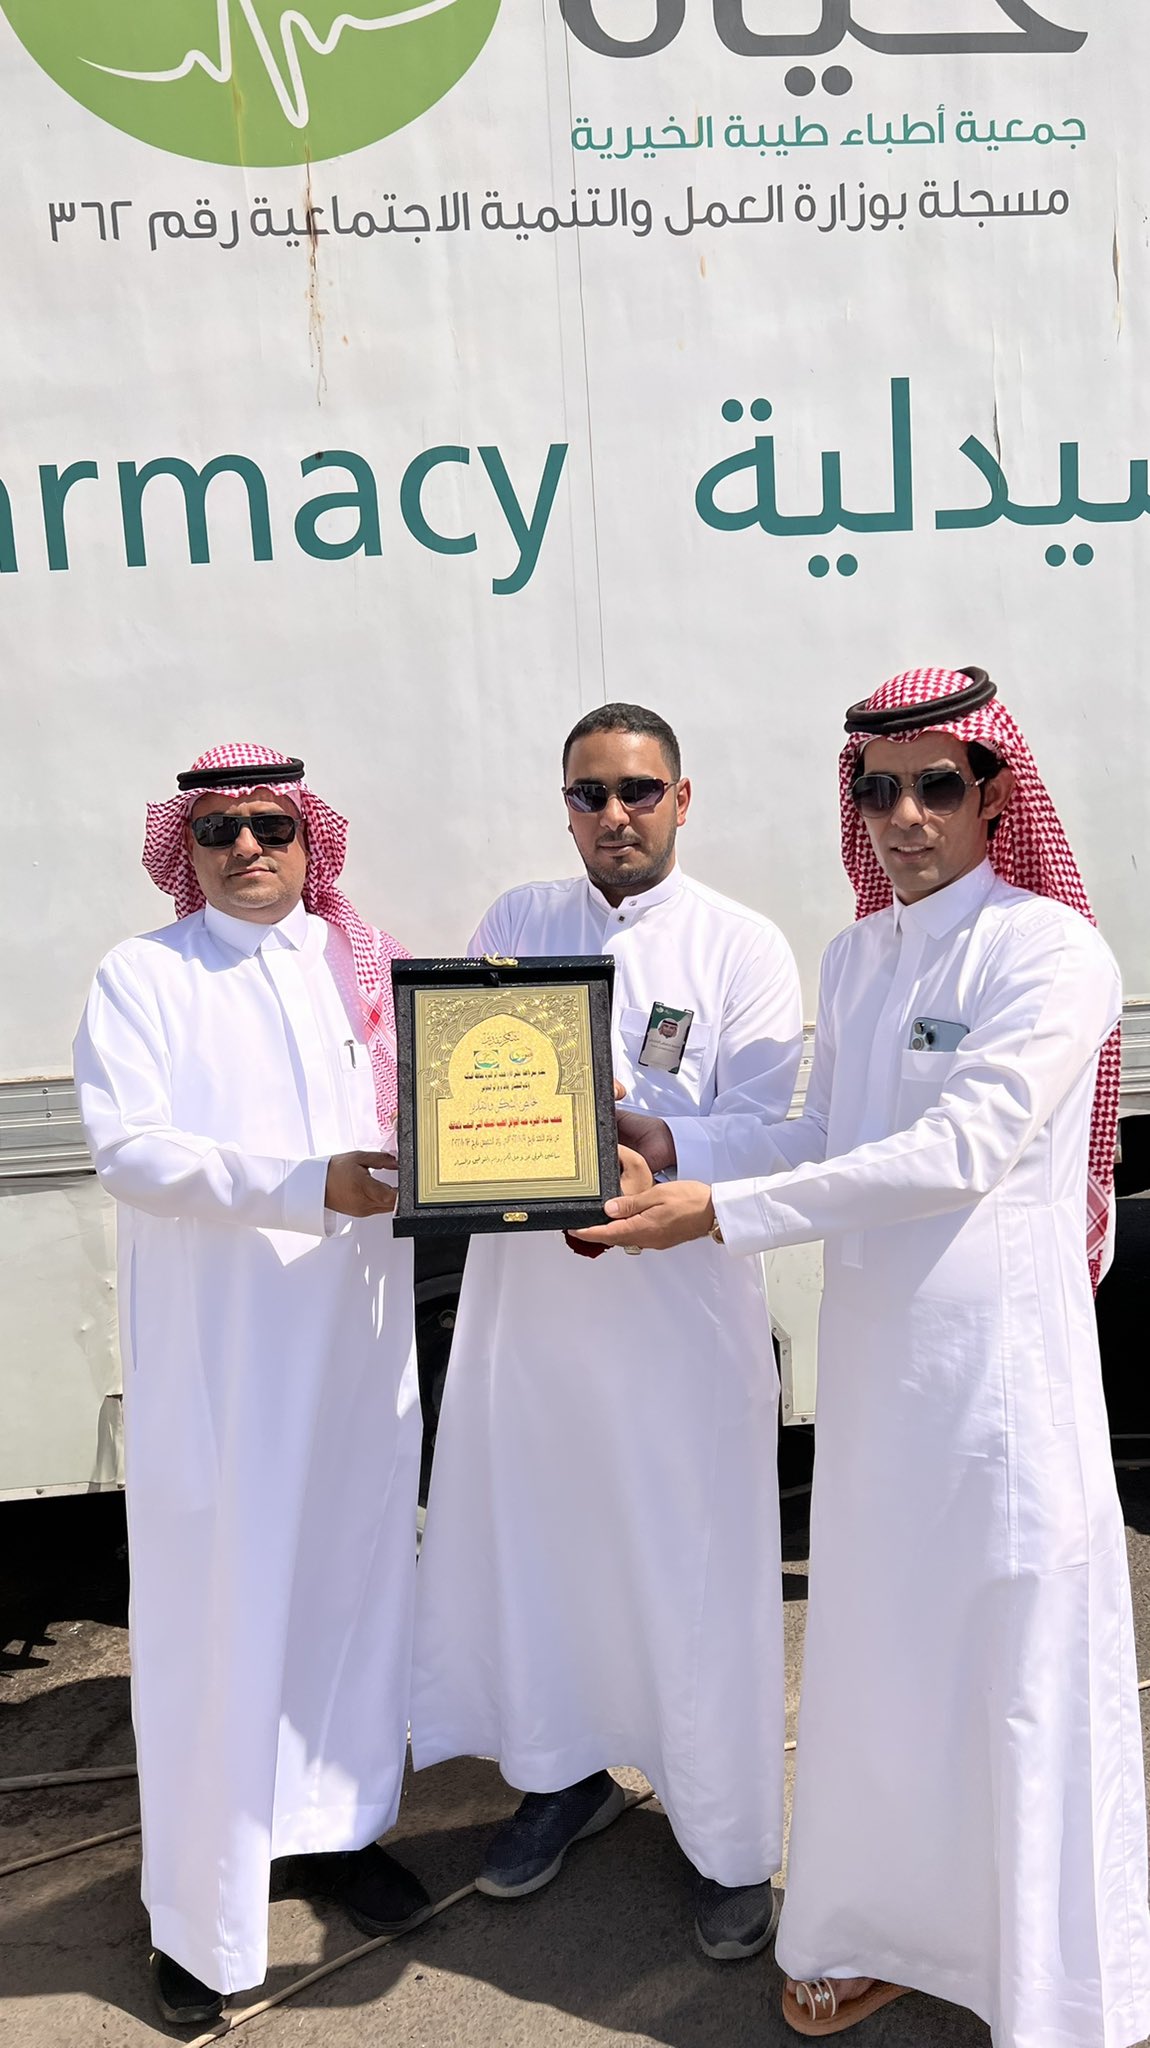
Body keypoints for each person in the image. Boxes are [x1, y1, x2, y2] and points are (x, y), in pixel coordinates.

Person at [577, 667, 1150, 2045]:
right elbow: (823, 1135)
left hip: (1000, 1392)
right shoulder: (856, 957)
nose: (903, 814)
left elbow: (960, 1150)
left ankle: (1045, 1987)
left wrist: (718, 1214)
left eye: (934, 784)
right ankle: (885, 1933)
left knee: (1006, 1678)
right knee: (879, 1664)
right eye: (875, 787)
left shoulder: (1049, 951)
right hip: (879, 1382)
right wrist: (677, 1144)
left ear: (993, 794)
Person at [410, 703, 804, 1959]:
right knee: (549, 1551)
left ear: (682, 798)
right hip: (532, 1319)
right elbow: (461, 1087)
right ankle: (562, 1774)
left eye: (637, 790)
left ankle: (724, 1837)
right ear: (566, 805)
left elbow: (776, 1129)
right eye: (590, 793)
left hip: (677, 1313)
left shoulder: (740, 943)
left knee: (694, 1572)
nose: (614, 815)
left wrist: (659, 1139)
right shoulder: (517, 923)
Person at [73, 745, 428, 2026]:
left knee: (350, 1582)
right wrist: (296, 1184)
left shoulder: (360, 965)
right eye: (218, 828)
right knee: (214, 1616)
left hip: (355, 1346)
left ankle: (335, 1829)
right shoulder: (146, 974)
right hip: (223, 1361)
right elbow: (130, 1149)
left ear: (307, 835)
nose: (246, 848)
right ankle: (197, 1913)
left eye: (271, 825)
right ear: (187, 845)